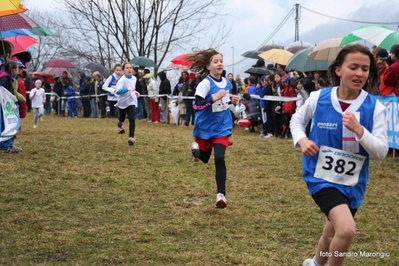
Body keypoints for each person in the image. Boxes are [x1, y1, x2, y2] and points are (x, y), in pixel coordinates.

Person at [290, 44, 388, 266]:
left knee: (331, 233)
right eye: (353, 67)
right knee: (346, 230)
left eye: (365, 69)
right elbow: (297, 120)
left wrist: (360, 131)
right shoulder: (319, 98)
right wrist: (302, 140)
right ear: (338, 70)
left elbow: (381, 151)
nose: (360, 74)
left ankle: (314, 263)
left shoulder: (375, 107)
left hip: (353, 182)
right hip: (320, 176)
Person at [187, 48, 239, 208]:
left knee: (219, 158)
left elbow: (226, 102)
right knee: (204, 158)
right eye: (215, 61)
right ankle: (196, 151)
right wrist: (213, 98)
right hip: (206, 128)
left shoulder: (228, 83)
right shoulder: (205, 84)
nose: (219, 64)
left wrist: (232, 100)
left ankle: (221, 195)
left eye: (221, 61)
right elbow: (196, 105)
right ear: (208, 66)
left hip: (222, 127)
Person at [115, 62, 139, 145]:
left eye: (130, 67)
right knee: (122, 117)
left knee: (132, 118)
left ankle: (131, 138)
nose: (129, 69)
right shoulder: (122, 80)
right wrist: (127, 89)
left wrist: (135, 92)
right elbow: (118, 91)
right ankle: (120, 121)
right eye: (127, 68)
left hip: (131, 101)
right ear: (123, 70)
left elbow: (132, 89)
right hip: (122, 102)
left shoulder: (134, 79)